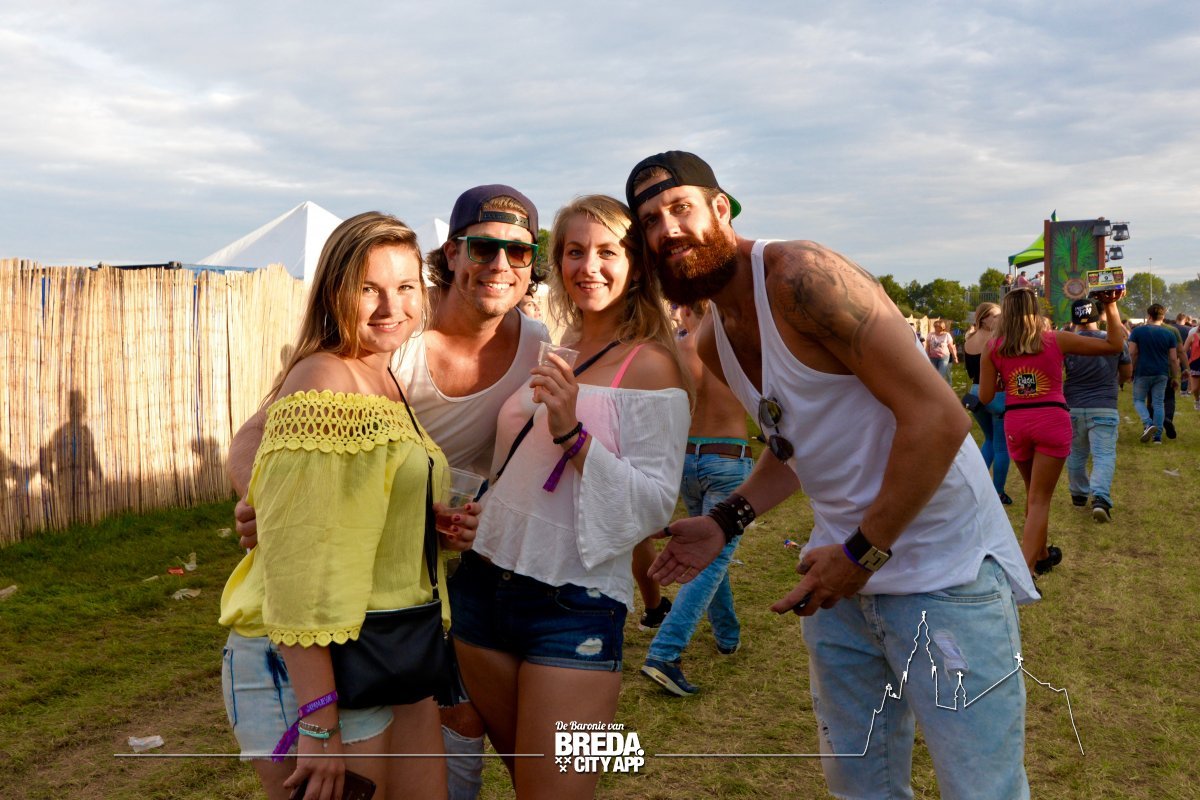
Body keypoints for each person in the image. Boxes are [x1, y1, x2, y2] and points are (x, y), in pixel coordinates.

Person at [628, 150, 1036, 800]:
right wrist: (725, 519)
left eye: (680, 208)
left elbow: (939, 418)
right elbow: (794, 444)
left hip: (942, 575)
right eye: (649, 220)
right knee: (861, 790)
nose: (667, 230)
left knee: (981, 790)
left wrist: (861, 554)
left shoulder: (801, 277)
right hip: (839, 592)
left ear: (721, 208)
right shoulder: (713, 339)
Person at [228, 185, 551, 800]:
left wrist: (425, 523)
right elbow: (294, 560)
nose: (390, 306)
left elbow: (368, 489)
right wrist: (265, 503)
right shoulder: (334, 376)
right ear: (452, 256)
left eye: (403, 288)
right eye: (368, 288)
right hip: (326, 646)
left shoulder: (389, 373)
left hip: (395, 634)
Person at [450, 194, 689, 798]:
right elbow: (513, 462)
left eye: (608, 252)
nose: (589, 267)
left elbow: (654, 507)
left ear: (636, 263)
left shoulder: (653, 366)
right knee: (523, 780)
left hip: (576, 607)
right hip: (482, 588)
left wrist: (573, 433)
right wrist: (477, 510)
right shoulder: (554, 343)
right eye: (575, 252)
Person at [641, 299, 754, 696]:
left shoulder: (675, 350)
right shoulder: (735, 347)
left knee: (707, 550)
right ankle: (665, 653)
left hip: (687, 460)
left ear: (686, 309)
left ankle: (727, 634)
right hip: (728, 457)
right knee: (712, 554)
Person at [980, 287, 1125, 576]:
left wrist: (1005, 379)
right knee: (1039, 499)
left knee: (1033, 494)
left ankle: (1043, 555)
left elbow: (985, 396)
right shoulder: (1054, 339)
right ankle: (1025, 571)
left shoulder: (994, 347)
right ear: (1035, 310)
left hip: (1016, 422)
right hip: (1051, 420)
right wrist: (1110, 306)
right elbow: (1114, 345)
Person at [1063, 298, 1132, 522]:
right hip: (1104, 405)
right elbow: (1127, 373)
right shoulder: (1114, 341)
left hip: (1073, 405)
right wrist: (1115, 381)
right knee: (1103, 455)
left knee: (1076, 453)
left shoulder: (1066, 342)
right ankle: (1100, 498)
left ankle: (1078, 493)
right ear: (1097, 316)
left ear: (1074, 318)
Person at [962, 302, 1011, 504]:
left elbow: (969, 371)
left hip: (975, 393)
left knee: (989, 440)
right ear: (983, 319)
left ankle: (978, 487)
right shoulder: (996, 340)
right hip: (996, 393)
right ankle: (997, 492)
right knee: (1001, 446)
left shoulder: (969, 340)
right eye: (996, 316)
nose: (1000, 319)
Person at [1128, 304, 1180, 444]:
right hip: (1162, 372)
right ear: (1163, 317)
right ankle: (1157, 437)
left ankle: (1148, 423)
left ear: (1149, 316)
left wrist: (1130, 370)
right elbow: (1173, 359)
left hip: (1143, 371)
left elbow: (1132, 353)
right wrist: (1175, 377)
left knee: (1138, 400)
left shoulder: (1138, 331)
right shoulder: (1169, 334)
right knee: (1158, 403)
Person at [925, 318, 957, 385]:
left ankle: (940, 388)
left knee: (940, 375)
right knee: (934, 374)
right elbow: (927, 346)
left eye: (938, 327)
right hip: (932, 357)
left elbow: (951, 347)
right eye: (935, 326)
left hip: (944, 357)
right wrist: (926, 355)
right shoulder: (930, 335)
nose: (936, 328)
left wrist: (955, 357)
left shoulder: (947, 335)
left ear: (942, 327)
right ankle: (934, 388)